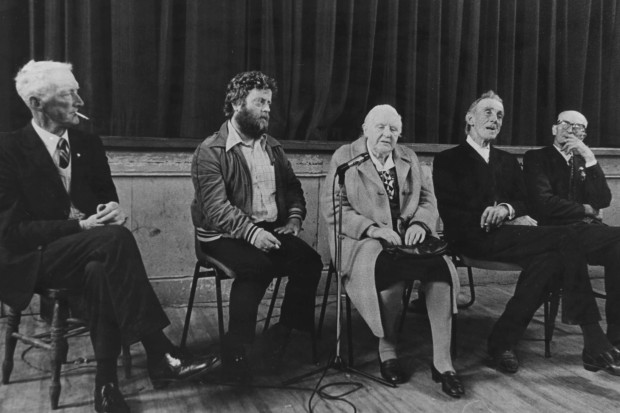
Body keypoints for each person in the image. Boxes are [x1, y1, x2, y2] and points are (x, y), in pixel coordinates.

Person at [0, 60, 218, 413]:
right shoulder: (7, 150)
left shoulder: (88, 141)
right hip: (34, 258)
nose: (80, 102)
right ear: (37, 103)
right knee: (113, 241)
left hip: (89, 252)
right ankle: (159, 353)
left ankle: (107, 385)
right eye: (69, 94)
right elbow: (10, 233)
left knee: (101, 267)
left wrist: (113, 209)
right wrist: (81, 227)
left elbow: (106, 195)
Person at [433, 91, 620, 376]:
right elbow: (449, 210)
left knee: (552, 260)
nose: (494, 119)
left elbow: (525, 201)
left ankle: (501, 342)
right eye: (487, 112)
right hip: (471, 237)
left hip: (510, 235)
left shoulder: (506, 160)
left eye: (499, 116)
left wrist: (508, 209)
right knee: (567, 237)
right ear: (470, 118)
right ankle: (593, 336)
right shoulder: (448, 159)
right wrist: (487, 216)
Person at [321, 105, 464, 397]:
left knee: (440, 271)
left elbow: (427, 200)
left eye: (394, 129)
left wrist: (422, 225)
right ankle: (387, 351)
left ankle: (443, 362)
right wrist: (372, 229)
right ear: (365, 129)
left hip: (408, 240)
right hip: (362, 241)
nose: (387, 134)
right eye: (380, 128)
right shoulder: (345, 157)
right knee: (388, 269)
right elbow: (334, 209)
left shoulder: (408, 157)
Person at [190, 71, 322, 381]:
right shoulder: (210, 151)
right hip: (221, 235)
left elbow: (292, 188)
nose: (267, 109)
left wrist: (292, 219)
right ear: (237, 103)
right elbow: (216, 208)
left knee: (310, 262)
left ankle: (283, 333)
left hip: (268, 228)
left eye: (269, 103)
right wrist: (252, 233)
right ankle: (236, 349)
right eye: (259, 102)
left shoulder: (272, 147)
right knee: (256, 268)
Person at [523, 110, 620, 348]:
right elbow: (544, 204)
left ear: (584, 134)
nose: (571, 130)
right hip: (556, 233)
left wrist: (589, 157)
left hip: (588, 234)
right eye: (565, 124)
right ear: (554, 128)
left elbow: (604, 200)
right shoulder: (537, 158)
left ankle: (616, 337)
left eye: (578, 127)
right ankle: (598, 341)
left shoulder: (582, 161)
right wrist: (586, 209)